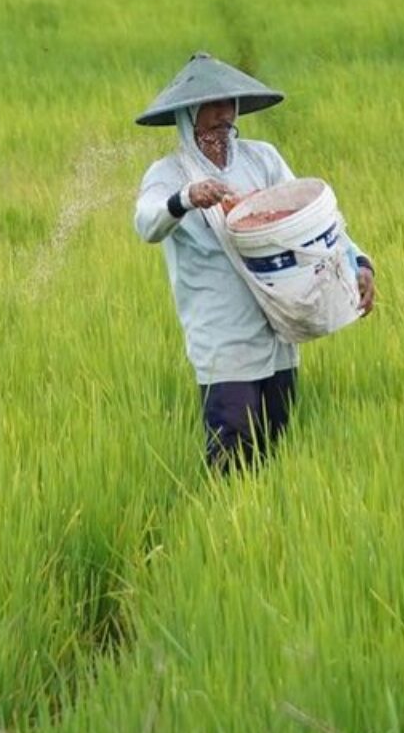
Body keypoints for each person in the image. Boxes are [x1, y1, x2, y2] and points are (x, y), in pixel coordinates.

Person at [133, 52, 376, 473]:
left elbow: (311, 221)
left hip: (279, 324)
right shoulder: (169, 173)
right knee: (233, 447)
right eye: (211, 106)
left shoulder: (261, 159)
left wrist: (358, 261)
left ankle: (264, 528)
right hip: (222, 336)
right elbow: (147, 223)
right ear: (187, 114)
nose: (223, 115)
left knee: (276, 443)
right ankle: (226, 529)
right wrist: (186, 199)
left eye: (230, 104)